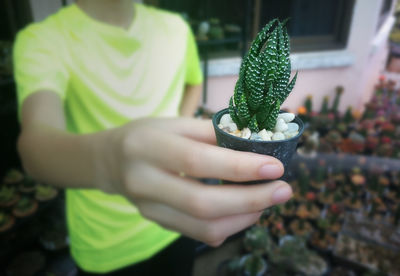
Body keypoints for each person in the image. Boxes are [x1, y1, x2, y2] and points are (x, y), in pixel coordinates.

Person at [13, 0, 293, 275]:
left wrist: (180, 131)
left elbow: (193, 82)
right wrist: (109, 160)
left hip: (180, 219)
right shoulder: (43, 39)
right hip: (106, 241)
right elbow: (35, 148)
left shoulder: (176, 28)